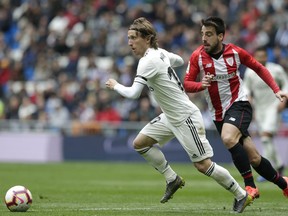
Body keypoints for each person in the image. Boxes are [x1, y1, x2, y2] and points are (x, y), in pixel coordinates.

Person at [106, 17, 252, 213]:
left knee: (202, 165)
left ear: (147, 39)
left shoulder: (146, 61)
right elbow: (179, 60)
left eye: (133, 38)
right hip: (170, 116)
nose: (130, 43)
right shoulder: (160, 53)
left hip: (185, 117)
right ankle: (172, 178)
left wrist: (115, 86)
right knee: (140, 144)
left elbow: (133, 94)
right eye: (128, 38)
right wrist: (166, 64)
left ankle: (242, 194)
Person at [183, 16, 288, 201]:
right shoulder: (197, 56)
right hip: (218, 114)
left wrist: (276, 90)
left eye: (209, 34)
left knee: (228, 137)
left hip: (239, 104)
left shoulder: (235, 52)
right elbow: (187, 83)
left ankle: (250, 186)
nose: (204, 38)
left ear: (221, 36)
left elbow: (259, 68)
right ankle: (285, 184)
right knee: (254, 158)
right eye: (202, 34)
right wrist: (201, 85)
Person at [243, 46, 288, 182]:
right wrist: (248, 97)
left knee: (265, 136)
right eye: (258, 56)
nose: (261, 59)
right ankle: (279, 166)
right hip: (260, 109)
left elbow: (286, 84)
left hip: (273, 107)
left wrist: (283, 101)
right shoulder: (250, 72)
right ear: (255, 57)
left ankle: (269, 170)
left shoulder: (276, 69)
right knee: (267, 139)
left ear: (266, 57)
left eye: (263, 56)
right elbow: (246, 87)